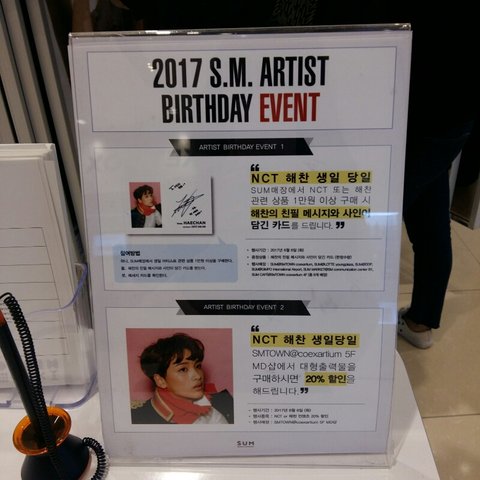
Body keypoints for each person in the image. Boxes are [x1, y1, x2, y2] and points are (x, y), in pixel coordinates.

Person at [131, 333, 234, 424]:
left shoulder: (224, 403)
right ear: (160, 380)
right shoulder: (136, 418)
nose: (198, 376)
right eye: (183, 369)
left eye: (198, 366)